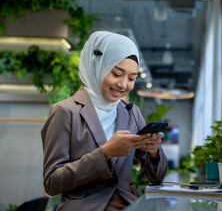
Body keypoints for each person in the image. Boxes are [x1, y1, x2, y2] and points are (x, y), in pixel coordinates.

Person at [41, 31, 168, 210]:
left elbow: (156, 178)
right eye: (116, 74)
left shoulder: (131, 112)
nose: (124, 85)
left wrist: (154, 152)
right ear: (96, 66)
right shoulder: (64, 111)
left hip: (128, 205)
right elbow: (52, 183)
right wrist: (105, 153)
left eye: (131, 78)